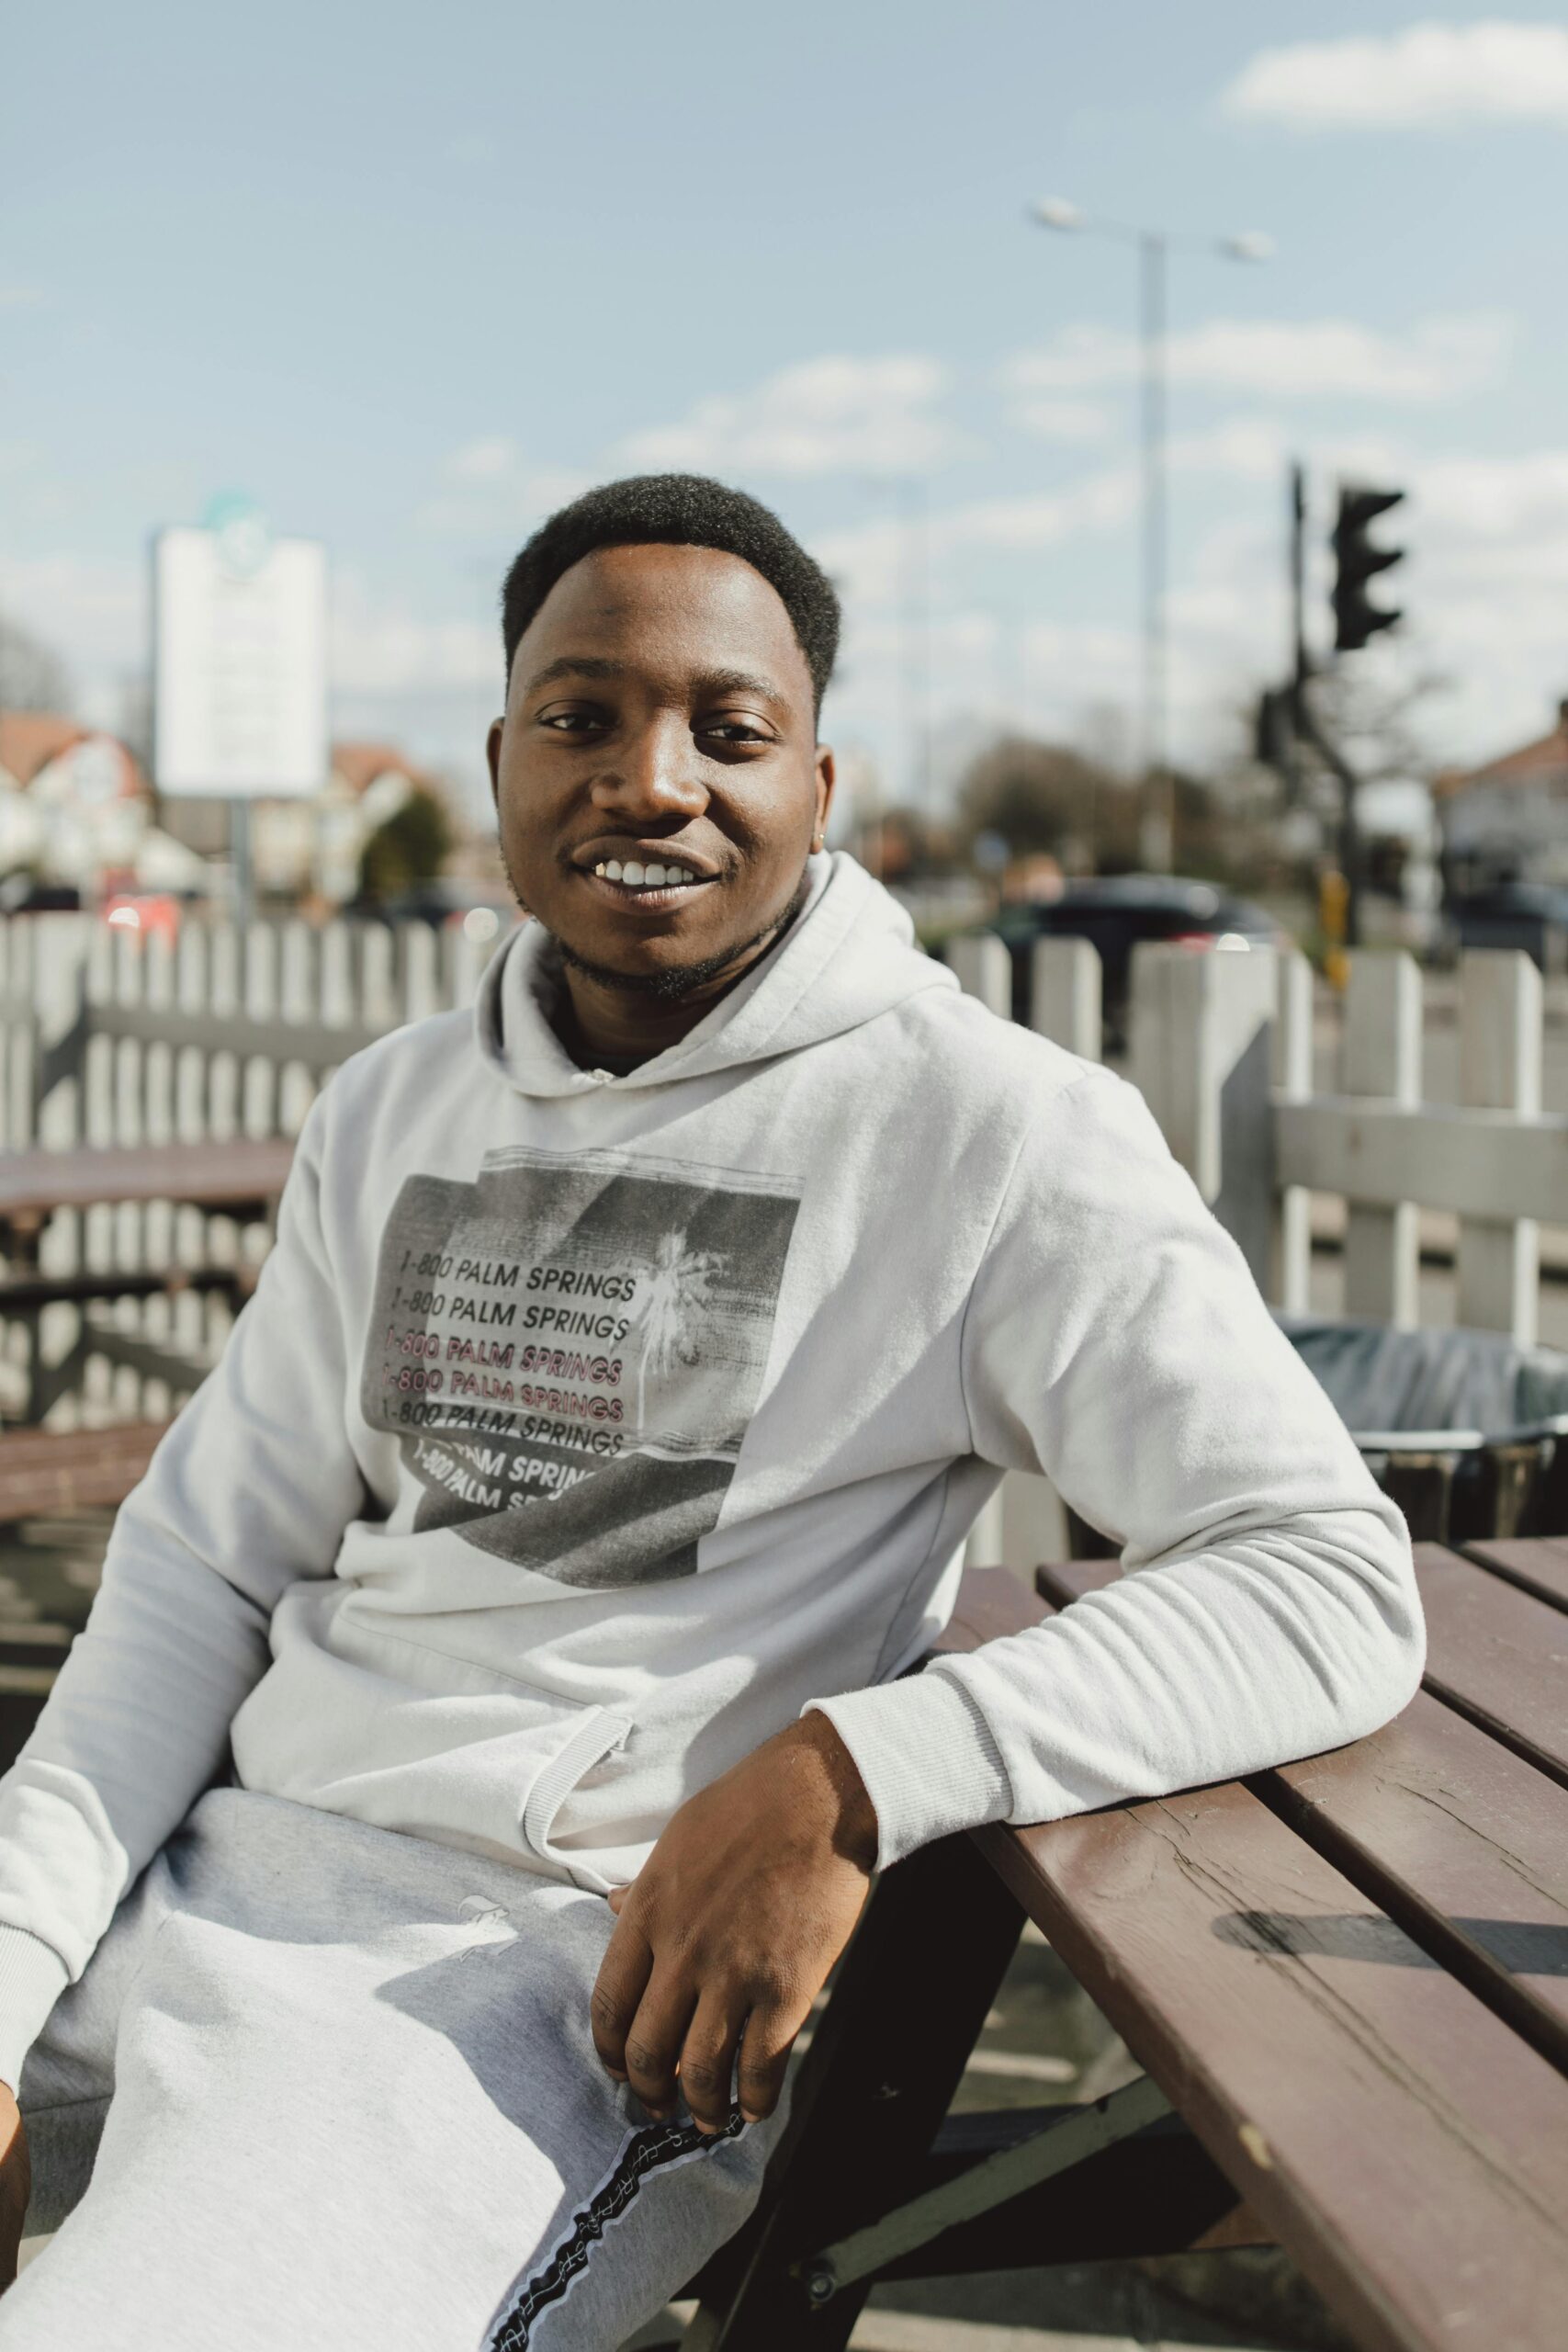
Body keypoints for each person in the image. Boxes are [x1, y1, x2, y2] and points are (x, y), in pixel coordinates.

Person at [0, 476, 1422, 2349]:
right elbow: (197, 1569)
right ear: (500, 760)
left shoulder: (986, 1130)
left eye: (726, 731)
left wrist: (852, 1772)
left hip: (520, 1985)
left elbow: (1321, 1577)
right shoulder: (391, 1107)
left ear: (816, 787)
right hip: (199, 1882)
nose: (649, 779)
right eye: (580, 718)